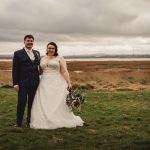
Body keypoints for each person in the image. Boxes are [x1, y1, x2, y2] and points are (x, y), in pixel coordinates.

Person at [30, 42, 84, 129]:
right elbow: (40, 71)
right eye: (49, 48)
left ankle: (57, 118)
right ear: (47, 49)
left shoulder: (60, 58)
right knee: (44, 100)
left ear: (55, 49)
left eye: (52, 48)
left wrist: (69, 82)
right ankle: (45, 119)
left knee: (56, 100)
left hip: (57, 82)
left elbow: (64, 71)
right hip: (44, 82)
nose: (50, 49)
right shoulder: (42, 58)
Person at [12, 35, 40, 128]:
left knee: (32, 103)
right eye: (28, 40)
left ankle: (29, 122)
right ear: (24, 42)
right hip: (22, 83)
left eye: (31, 41)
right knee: (21, 102)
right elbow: (15, 69)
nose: (30, 42)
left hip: (34, 82)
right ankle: (18, 123)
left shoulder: (37, 53)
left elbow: (38, 67)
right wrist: (15, 83)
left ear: (33, 42)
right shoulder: (17, 53)